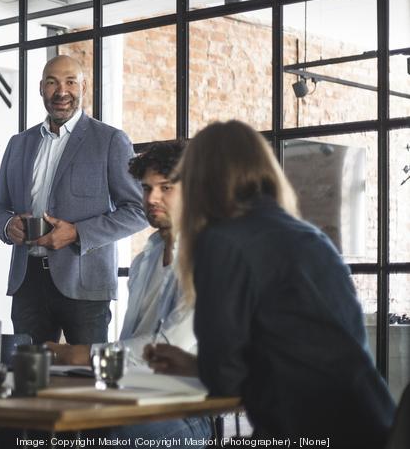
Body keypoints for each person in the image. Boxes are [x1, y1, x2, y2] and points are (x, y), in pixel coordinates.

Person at [144, 120, 395, 449]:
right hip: (372, 422)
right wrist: (195, 366)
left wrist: (202, 368)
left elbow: (225, 378)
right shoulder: (309, 235)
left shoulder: (221, 241)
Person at [46, 140, 211, 443]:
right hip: (136, 397)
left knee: (106, 432)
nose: (152, 198)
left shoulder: (210, 258)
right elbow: (130, 346)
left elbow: (168, 351)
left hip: (187, 412)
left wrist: (81, 353)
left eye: (166, 188)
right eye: (148, 189)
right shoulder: (146, 258)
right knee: (44, 426)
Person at [0, 55, 146, 345]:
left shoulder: (110, 140)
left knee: (85, 380)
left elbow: (137, 211)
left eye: (70, 82)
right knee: (27, 378)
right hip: (28, 283)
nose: (62, 91)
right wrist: (8, 224)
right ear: (41, 88)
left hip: (85, 285)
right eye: (52, 82)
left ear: (84, 86)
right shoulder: (18, 144)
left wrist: (77, 233)